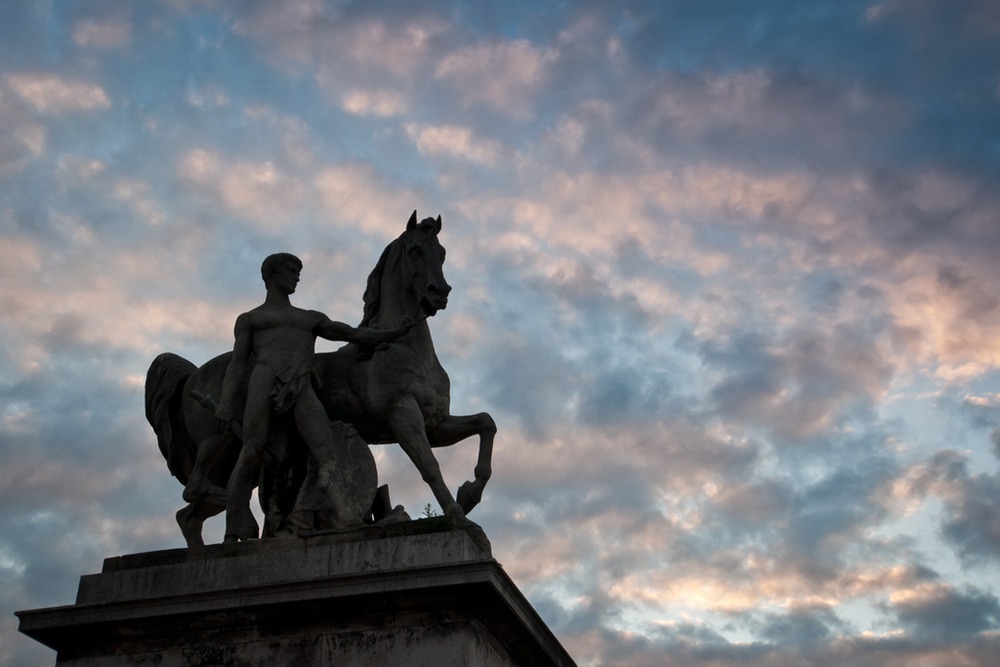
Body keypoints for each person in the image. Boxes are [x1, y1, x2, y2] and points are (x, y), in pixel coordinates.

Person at [215, 253, 408, 542]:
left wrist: (394, 333)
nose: (297, 276)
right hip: (264, 380)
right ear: (271, 275)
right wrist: (226, 401)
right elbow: (237, 364)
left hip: (300, 383)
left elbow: (353, 335)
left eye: (298, 271)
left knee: (325, 448)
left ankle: (344, 515)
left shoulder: (309, 318)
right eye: (291, 270)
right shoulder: (252, 319)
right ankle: (232, 531)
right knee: (251, 450)